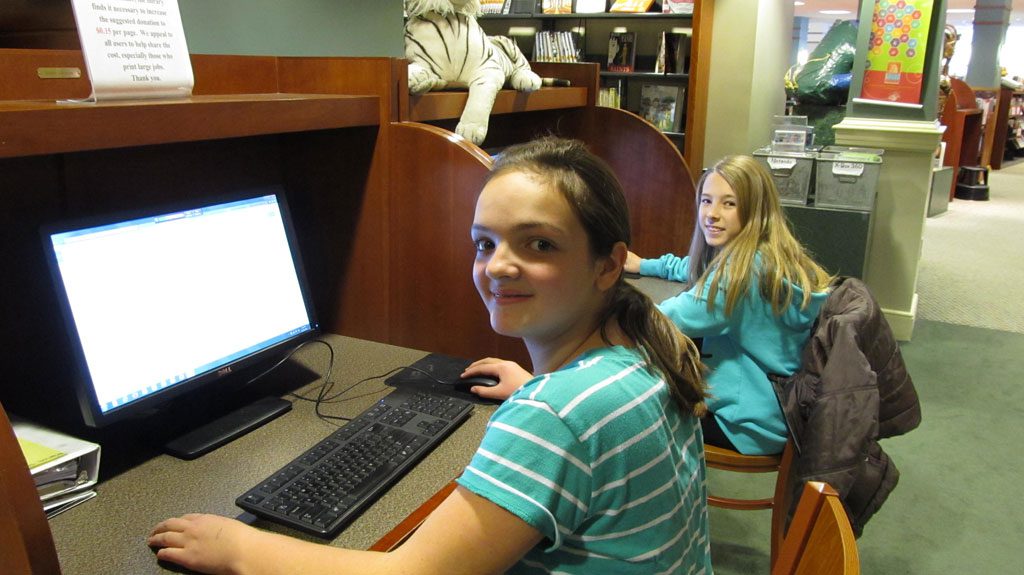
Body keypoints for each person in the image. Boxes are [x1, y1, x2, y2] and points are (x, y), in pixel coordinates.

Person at [148, 137, 713, 574]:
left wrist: (239, 547)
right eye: (485, 243)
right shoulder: (640, 349)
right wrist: (538, 392)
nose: (496, 266)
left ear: (609, 264)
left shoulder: (558, 417)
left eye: (539, 244)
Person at [625, 154, 833, 457]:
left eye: (729, 203)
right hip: (777, 409)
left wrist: (601, 307)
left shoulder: (742, 274)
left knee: (633, 412)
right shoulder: (765, 255)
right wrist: (645, 264)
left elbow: (672, 316)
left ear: (755, 210)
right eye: (706, 201)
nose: (712, 213)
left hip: (747, 423)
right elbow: (695, 269)